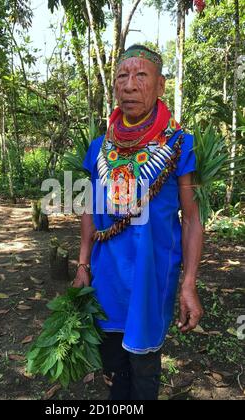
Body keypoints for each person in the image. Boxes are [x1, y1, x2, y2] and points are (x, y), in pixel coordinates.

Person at [73, 44, 204, 400]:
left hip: (150, 277)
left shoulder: (180, 145)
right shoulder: (98, 147)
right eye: (122, 77)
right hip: (107, 277)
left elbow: (192, 220)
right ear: (114, 86)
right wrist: (83, 263)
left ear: (160, 85)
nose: (130, 85)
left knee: (144, 368)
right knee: (113, 362)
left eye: (141, 75)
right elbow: (88, 208)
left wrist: (188, 284)